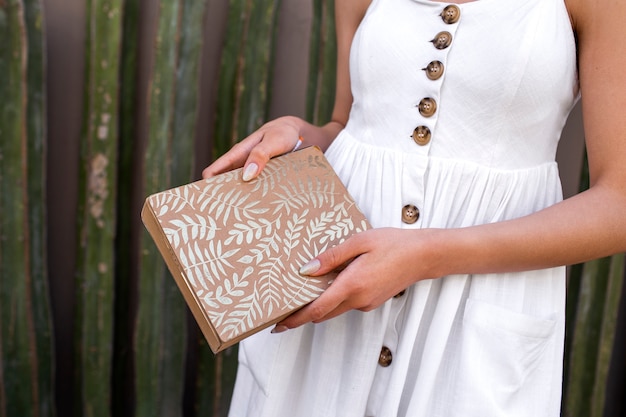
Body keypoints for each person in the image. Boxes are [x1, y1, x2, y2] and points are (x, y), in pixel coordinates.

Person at [203, 0, 626, 415]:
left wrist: (425, 255)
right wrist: (300, 135)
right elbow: (349, 124)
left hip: (472, 318)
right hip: (334, 303)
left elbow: (618, 204)